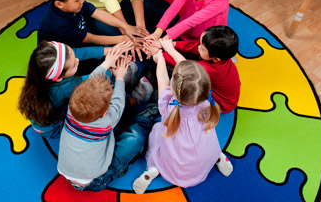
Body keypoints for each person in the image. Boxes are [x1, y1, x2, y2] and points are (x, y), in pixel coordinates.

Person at [58, 50, 160, 191]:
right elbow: (117, 102)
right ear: (105, 113)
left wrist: (107, 63)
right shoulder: (105, 123)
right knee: (134, 139)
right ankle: (140, 112)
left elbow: (88, 83)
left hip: (69, 172)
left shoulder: (72, 108)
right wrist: (119, 77)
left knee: (115, 116)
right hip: (96, 180)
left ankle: (128, 94)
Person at [133, 53, 233, 194]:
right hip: (202, 159)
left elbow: (162, 78)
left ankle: (153, 167)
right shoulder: (204, 99)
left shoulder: (168, 106)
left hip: (176, 165)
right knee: (208, 135)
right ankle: (216, 155)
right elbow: (194, 75)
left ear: (174, 88)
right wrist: (169, 49)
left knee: (157, 130)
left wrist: (159, 58)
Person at [18, 40, 132, 139]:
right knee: (95, 100)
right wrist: (114, 70)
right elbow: (91, 82)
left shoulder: (38, 76)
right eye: (73, 65)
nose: (77, 60)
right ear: (58, 78)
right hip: (55, 129)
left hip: (44, 117)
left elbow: (78, 53)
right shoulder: (63, 88)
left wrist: (109, 51)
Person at [38, 0, 141, 49]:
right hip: (64, 53)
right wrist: (124, 40)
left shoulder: (77, 3)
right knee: (99, 56)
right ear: (59, 4)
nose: (82, 1)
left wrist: (125, 26)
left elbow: (98, 13)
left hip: (78, 37)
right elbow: (91, 38)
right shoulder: (59, 24)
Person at [154, 26, 241, 113]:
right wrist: (171, 44)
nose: (199, 47)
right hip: (222, 90)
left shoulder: (211, 69)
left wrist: (161, 53)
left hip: (220, 103)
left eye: (202, 48)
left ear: (216, 58)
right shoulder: (219, 55)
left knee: (187, 91)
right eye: (200, 43)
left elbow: (186, 66)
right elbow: (193, 47)